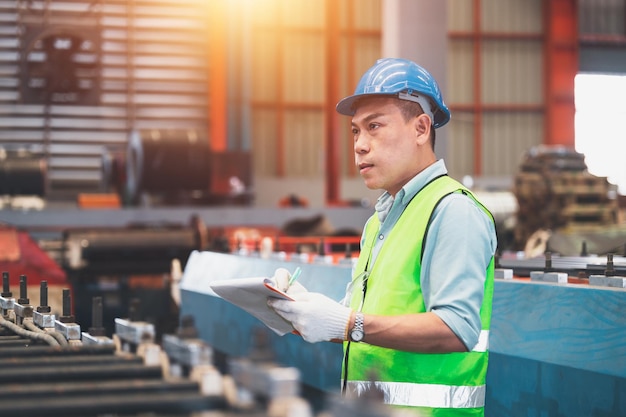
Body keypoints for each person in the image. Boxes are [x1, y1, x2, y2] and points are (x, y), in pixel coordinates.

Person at [268, 58, 497, 416]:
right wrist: (303, 312)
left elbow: (457, 328)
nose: (360, 145)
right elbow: (362, 322)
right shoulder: (380, 221)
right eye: (356, 131)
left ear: (421, 129)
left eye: (374, 126)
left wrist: (349, 324)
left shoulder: (452, 211)